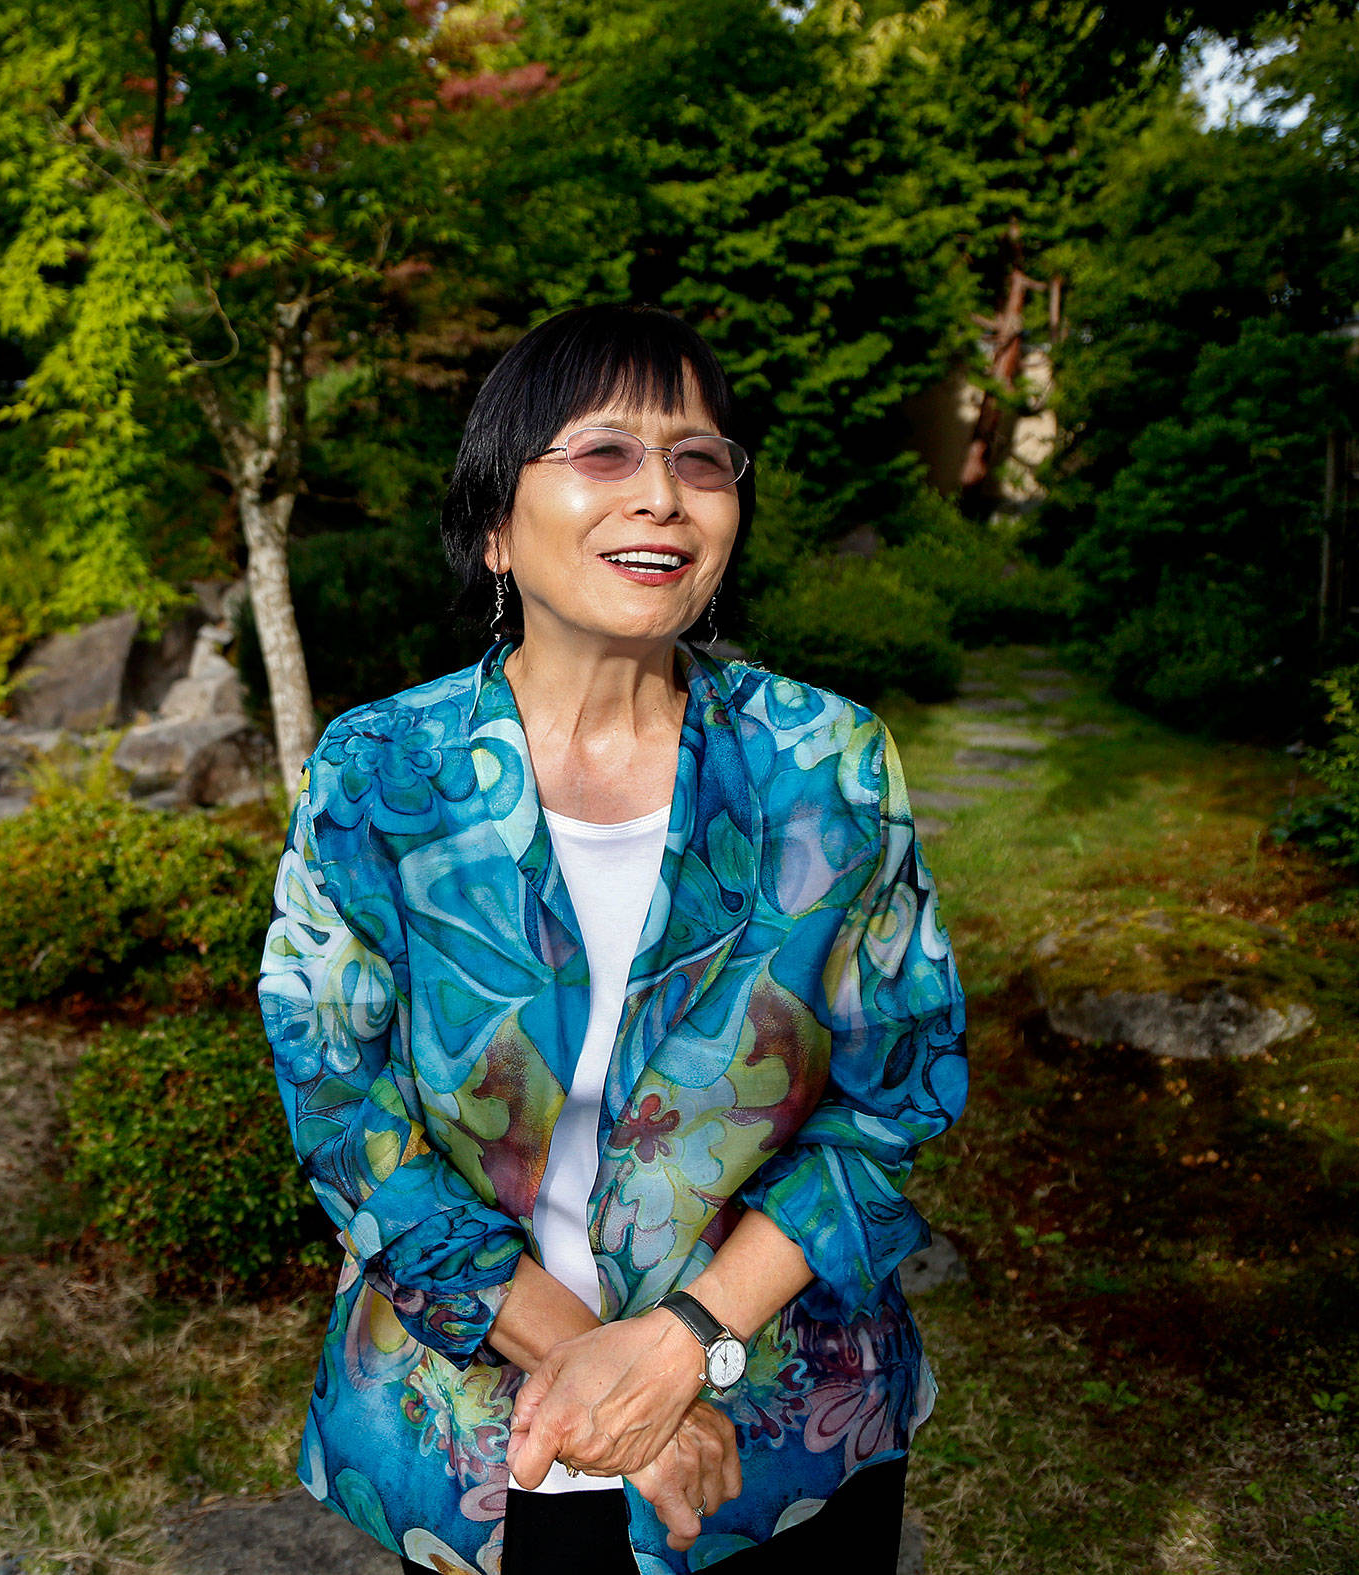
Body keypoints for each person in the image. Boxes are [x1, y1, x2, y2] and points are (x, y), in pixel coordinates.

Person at [256, 303, 969, 1575]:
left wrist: (683, 1347)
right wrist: (601, 1377)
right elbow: (340, 1105)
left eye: (700, 461)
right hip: (478, 1431)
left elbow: (897, 1097)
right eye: (601, 454)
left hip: (780, 1422)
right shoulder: (379, 774)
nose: (663, 496)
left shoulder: (824, 766)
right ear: (491, 526)